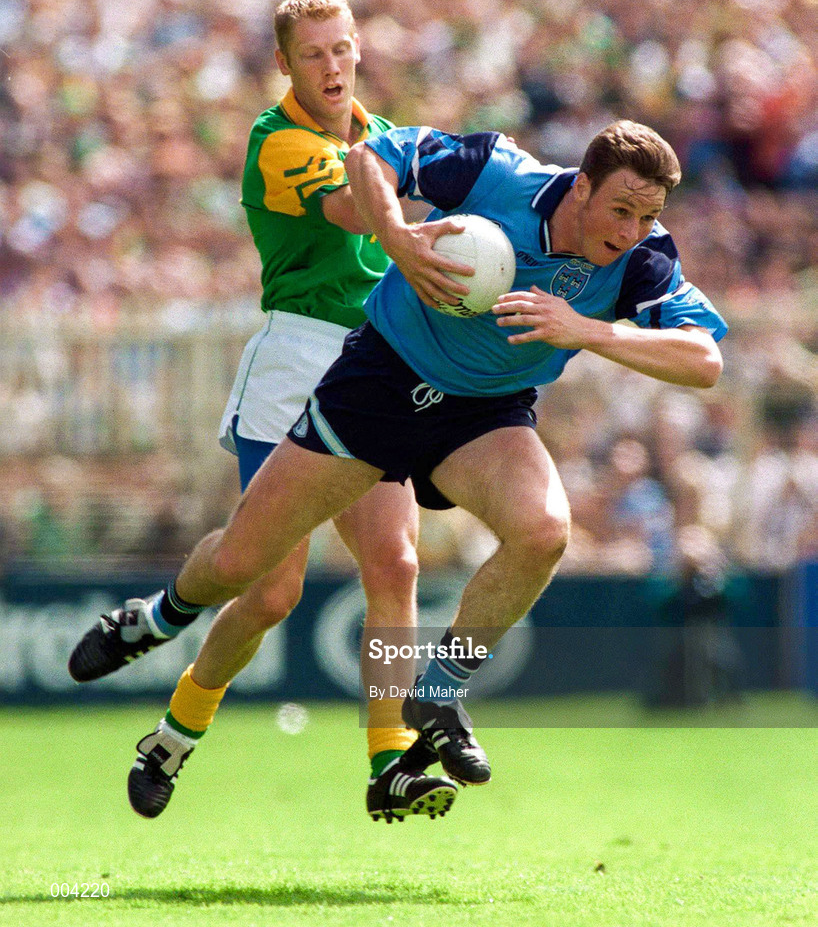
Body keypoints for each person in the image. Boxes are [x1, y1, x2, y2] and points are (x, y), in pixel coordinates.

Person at [73, 116, 728, 794]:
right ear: (582, 186)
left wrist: (589, 330)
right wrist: (398, 240)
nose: (628, 231)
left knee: (541, 532)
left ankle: (437, 697)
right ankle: (158, 616)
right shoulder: (496, 171)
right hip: (380, 386)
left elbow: (704, 360)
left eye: (646, 216)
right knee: (245, 561)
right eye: (620, 210)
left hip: (484, 414)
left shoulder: (644, 257)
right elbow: (370, 156)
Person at [69, 0, 457, 825]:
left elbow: (438, 181)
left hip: (375, 364)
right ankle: (168, 687)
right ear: (284, 63)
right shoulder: (278, 141)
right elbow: (356, 209)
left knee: (395, 564)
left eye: (343, 48)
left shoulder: (386, 134)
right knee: (269, 586)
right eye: (314, 53)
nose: (333, 66)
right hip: (297, 361)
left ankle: (388, 757)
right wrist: (423, 237)